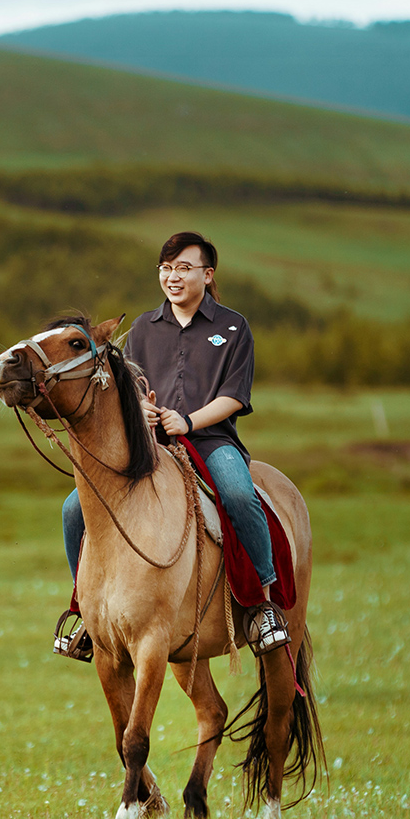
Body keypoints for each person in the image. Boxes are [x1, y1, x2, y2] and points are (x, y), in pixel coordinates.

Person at [55, 231, 289, 662]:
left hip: (212, 440)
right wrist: (141, 407)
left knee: (239, 493)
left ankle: (263, 605)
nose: (173, 277)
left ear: (208, 274)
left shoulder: (233, 327)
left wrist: (189, 421)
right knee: (73, 508)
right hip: (151, 445)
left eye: (184, 268)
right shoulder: (144, 327)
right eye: (166, 269)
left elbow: (235, 395)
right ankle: (86, 611)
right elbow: (128, 387)